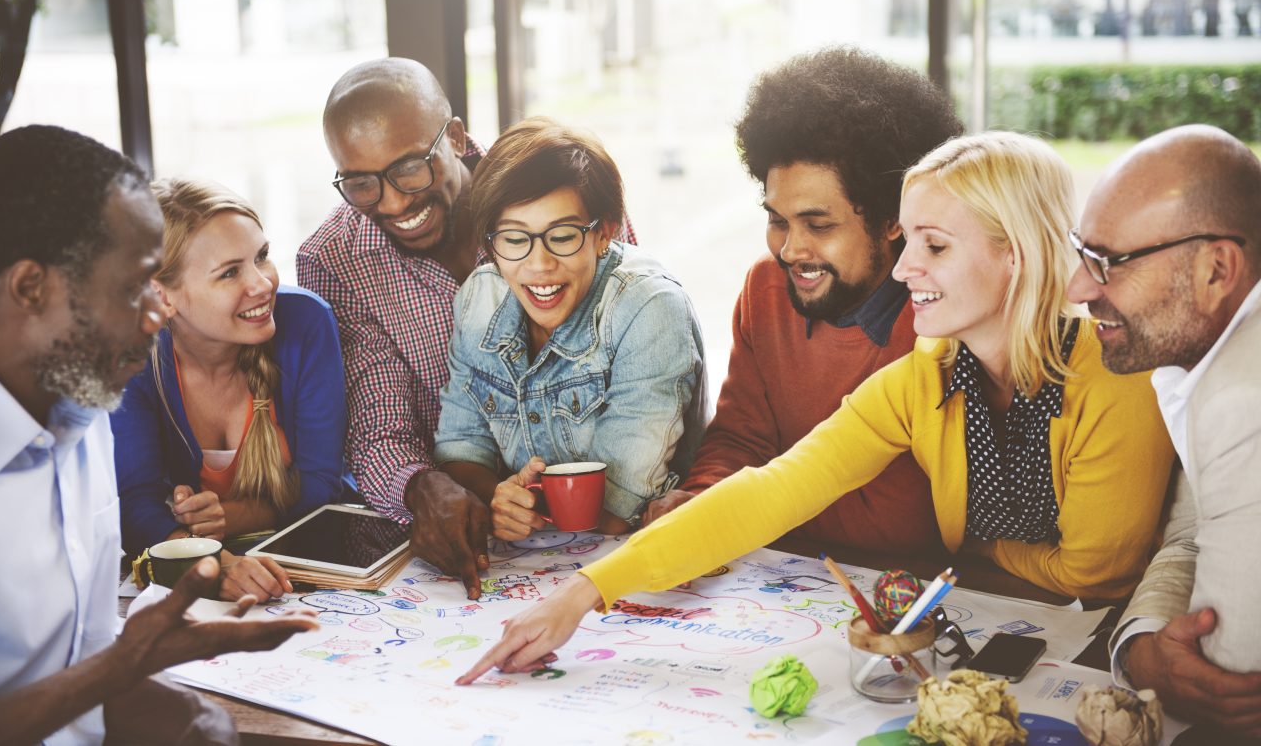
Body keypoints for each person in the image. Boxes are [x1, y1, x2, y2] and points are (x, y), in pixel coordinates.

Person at [457, 131, 1178, 684]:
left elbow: (1093, 574)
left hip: (1104, 654)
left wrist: (971, 549)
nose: (903, 269)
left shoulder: (1113, 372)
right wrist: (584, 593)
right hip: (995, 628)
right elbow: (777, 488)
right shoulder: (925, 375)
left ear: (1014, 255)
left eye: (933, 244)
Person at [0, 126, 317, 745]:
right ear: (32, 288)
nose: (161, 313)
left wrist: (182, 715)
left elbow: (76, 665)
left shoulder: (83, 420)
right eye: (137, 284)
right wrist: (123, 668)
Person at [298, 58, 635, 598]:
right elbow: (379, 428)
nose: (393, 201)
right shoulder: (336, 259)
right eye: (361, 184)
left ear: (454, 137)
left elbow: (637, 355)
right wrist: (421, 487)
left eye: (410, 168)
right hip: (468, 531)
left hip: (609, 511)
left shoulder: (562, 181)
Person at [642, 46, 961, 555]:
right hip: (786, 583)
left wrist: (741, 508)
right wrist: (701, 498)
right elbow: (743, 439)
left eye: (819, 224)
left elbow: (921, 519)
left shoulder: (940, 317)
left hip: (908, 590)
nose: (791, 250)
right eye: (777, 220)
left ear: (892, 218)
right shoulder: (766, 291)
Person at [1069, 125, 1261, 739]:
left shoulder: (1242, 395)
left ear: (1216, 268)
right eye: (1081, 253)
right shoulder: (1194, 359)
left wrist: (1158, 669)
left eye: (1108, 263)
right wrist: (1142, 648)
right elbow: (1192, 533)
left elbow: (1227, 683)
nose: (1078, 289)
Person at [434, 117, 706, 538]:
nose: (539, 265)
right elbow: (460, 451)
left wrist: (523, 506)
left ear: (605, 234)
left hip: (637, 557)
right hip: (531, 561)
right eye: (514, 238)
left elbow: (619, 506)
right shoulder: (478, 300)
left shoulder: (648, 308)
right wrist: (501, 498)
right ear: (489, 245)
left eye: (562, 236)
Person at [112, 179, 347, 602]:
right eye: (230, 272)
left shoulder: (307, 321)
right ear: (162, 297)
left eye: (262, 257)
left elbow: (322, 482)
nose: (262, 284)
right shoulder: (131, 356)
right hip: (208, 576)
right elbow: (133, 503)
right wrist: (212, 563)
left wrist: (227, 519)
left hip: (309, 563)